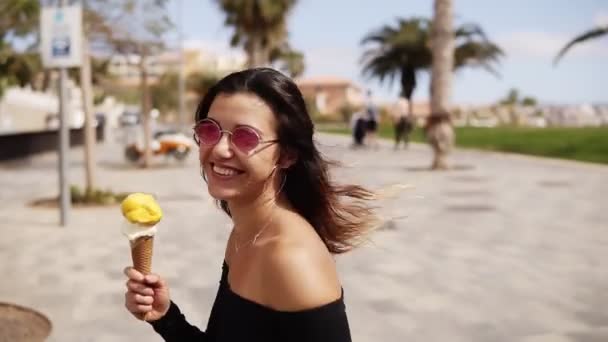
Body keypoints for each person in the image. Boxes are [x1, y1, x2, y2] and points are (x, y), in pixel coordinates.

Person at [123, 68, 377, 341]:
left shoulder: (292, 260)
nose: (219, 149)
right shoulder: (244, 233)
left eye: (245, 137)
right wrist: (166, 317)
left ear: (288, 154)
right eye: (209, 130)